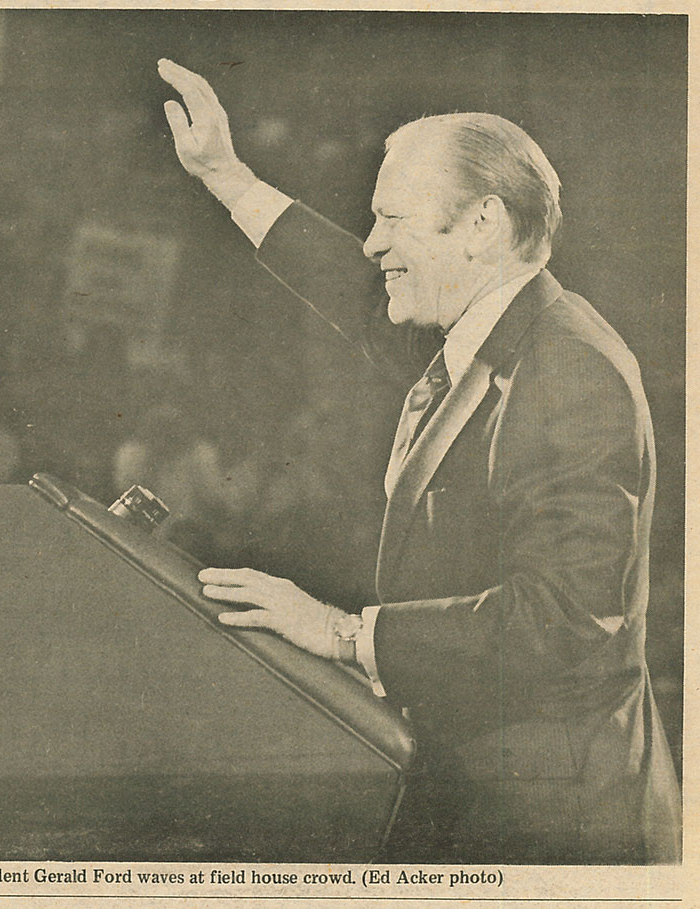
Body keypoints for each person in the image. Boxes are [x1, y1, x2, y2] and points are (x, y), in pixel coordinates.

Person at [157, 58, 681, 864]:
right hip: (502, 795)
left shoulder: (571, 369)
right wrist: (227, 176)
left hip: (563, 828)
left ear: (483, 224)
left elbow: (567, 621)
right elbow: (357, 293)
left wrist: (340, 633)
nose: (372, 244)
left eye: (393, 221)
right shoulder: (489, 332)